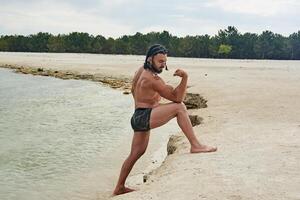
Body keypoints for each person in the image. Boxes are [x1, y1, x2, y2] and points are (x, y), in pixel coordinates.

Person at [113, 44, 217, 196]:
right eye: (160, 61)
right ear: (150, 59)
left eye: (165, 61)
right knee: (179, 107)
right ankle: (196, 145)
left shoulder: (140, 71)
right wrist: (185, 78)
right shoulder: (152, 79)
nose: (164, 65)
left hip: (138, 116)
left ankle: (119, 187)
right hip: (144, 116)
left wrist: (149, 104)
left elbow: (133, 90)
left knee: (136, 153)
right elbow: (177, 97)